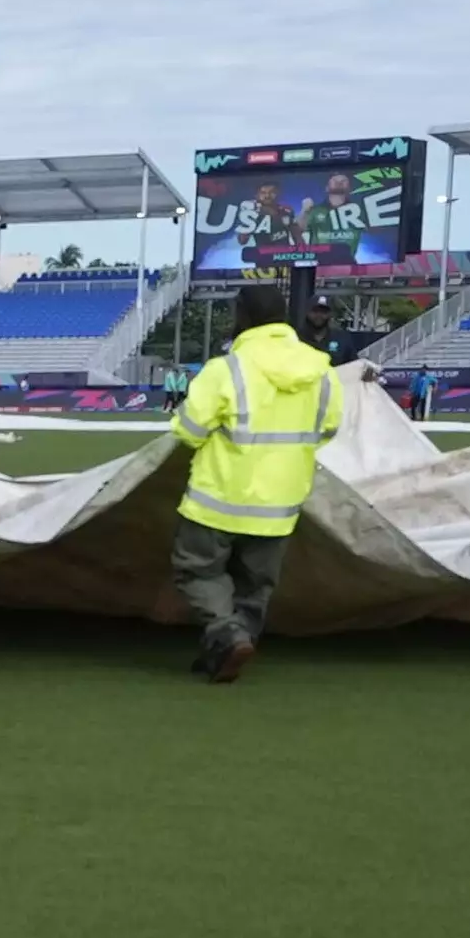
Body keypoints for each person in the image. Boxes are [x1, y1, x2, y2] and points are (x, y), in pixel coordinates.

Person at [167, 280, 344, 682]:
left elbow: (189, 431)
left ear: (243, 317)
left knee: (197, 570)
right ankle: (231, 644)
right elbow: (329, 429)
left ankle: (227, 636)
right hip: (280, 504)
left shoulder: (226, 368)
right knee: (255, 585)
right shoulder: (321, 371)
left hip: (218, 498)